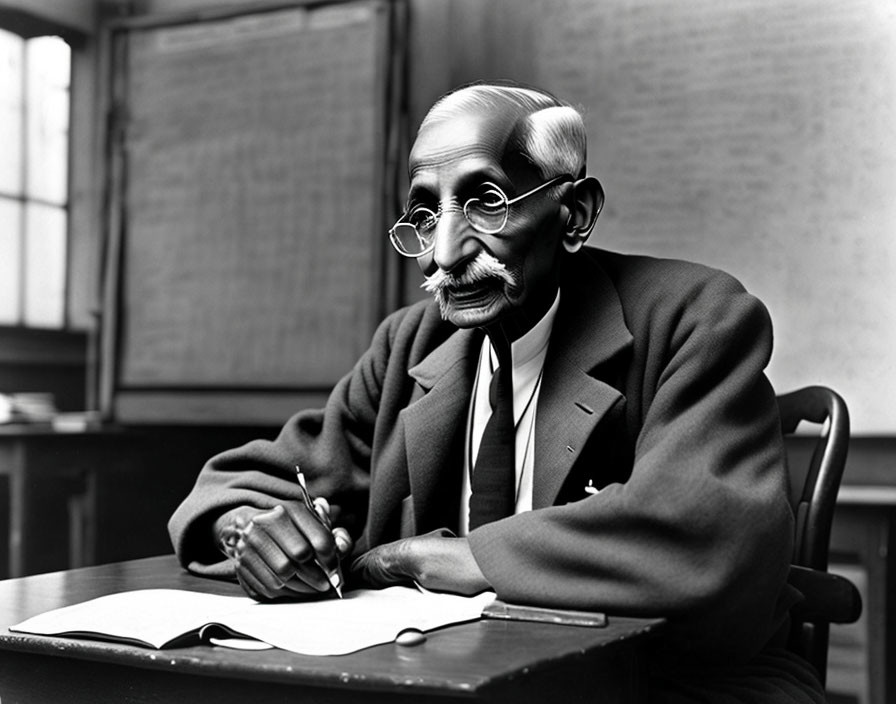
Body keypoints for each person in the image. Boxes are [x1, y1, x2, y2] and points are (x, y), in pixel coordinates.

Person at [169, 81, 825, 702]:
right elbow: (244, 484)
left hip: (668, 682)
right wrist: (251, 535)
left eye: (485, 201)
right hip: (465, 677)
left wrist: (432, 559)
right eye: (425, 215)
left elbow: (701, 530)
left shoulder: (694, 315)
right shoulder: (411, 342)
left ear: (572, 214)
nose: (443, 255)